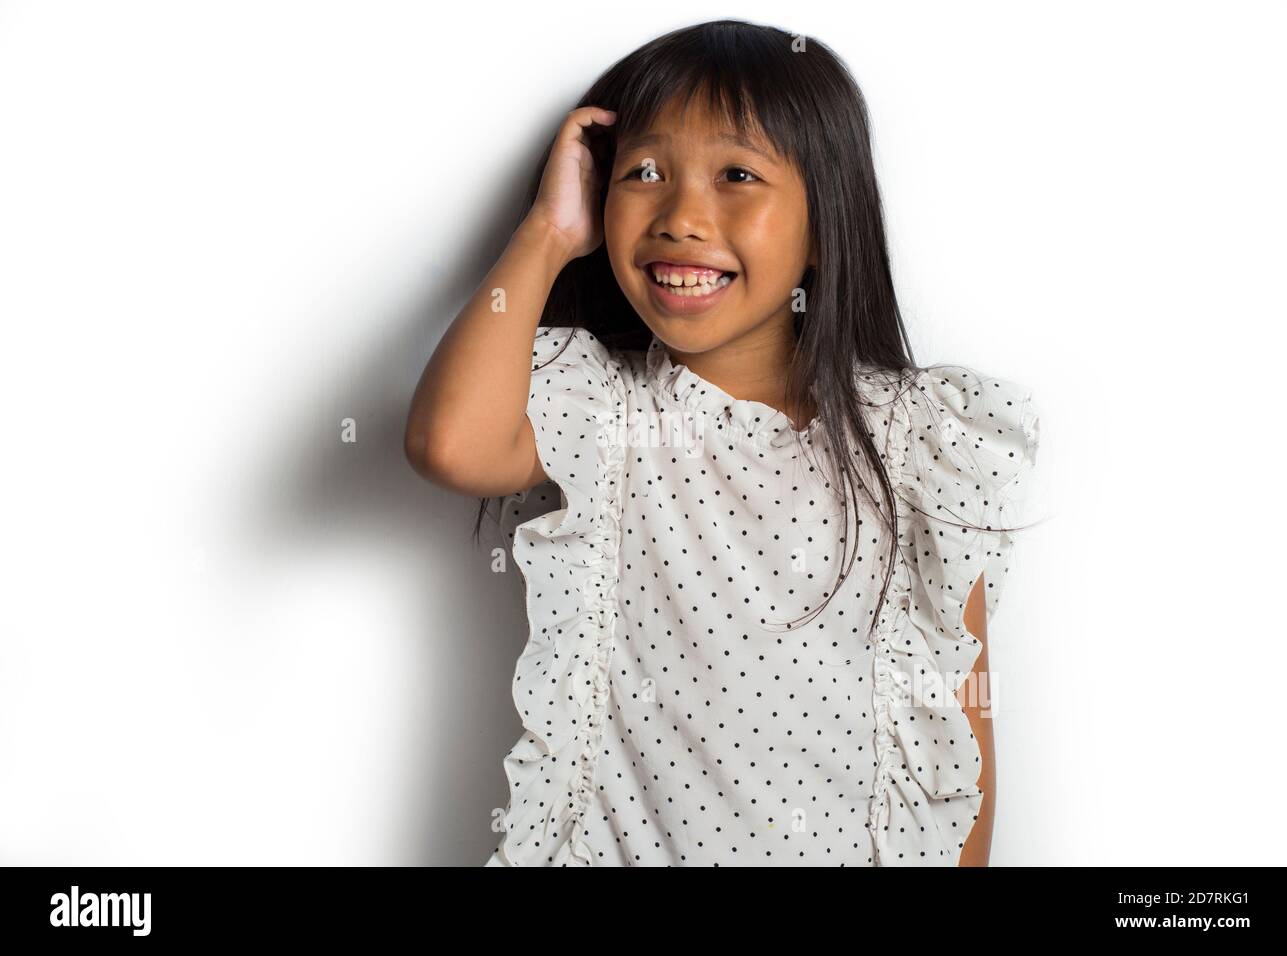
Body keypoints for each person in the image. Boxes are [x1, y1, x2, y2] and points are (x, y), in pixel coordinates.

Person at [405, 18, 1043, 866]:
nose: (680, 215)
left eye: (736, 174)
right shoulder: (606, 408)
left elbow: (958, 737)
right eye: (644, 172)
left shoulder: (921, 441)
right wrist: (550, 233)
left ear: (824, 225)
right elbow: (450, 443)